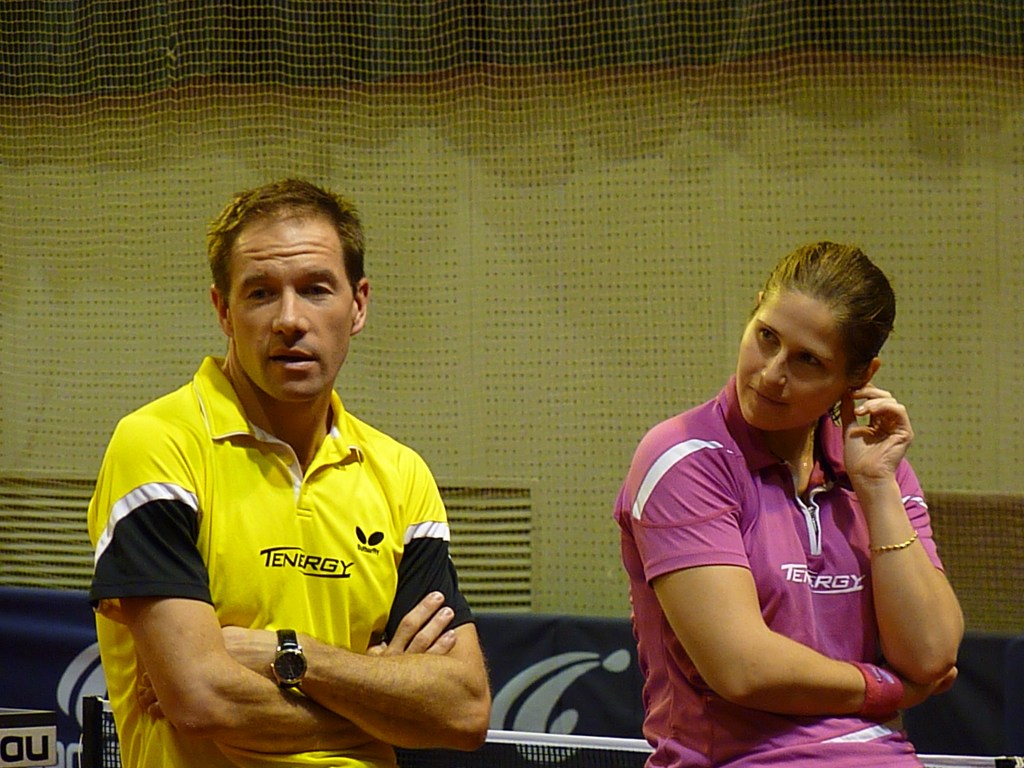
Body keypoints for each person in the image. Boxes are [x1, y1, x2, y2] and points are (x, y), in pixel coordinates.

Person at [87, 178, 491, 768]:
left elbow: (464, 710)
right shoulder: (158, 445)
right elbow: (202, 700)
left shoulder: (401, 474)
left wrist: (290, 654)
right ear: (224, 311)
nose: (290, 319)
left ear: (358, 304)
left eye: (316, 289)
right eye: (260, 294)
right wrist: (378, 702)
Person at [615, 241, 963, 767]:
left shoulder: (877, 468)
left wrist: (875, 487)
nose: (772, 373)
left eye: (808, 361)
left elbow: (931, 654)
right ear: (754, 311)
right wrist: (886, 688)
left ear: (860, 377)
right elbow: (743, 668)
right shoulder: (684, 459)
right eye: (767, 337)